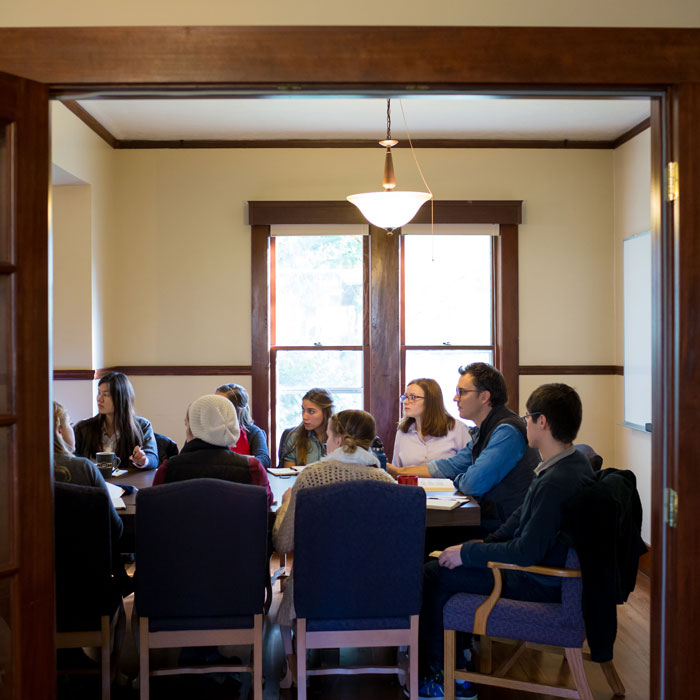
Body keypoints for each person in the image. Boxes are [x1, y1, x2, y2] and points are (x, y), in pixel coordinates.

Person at [416, 383, 595, 700]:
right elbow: (520, 519)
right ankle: (455, 663)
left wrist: (470, 553)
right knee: (445, 560)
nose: (525, 423)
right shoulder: (568, 463)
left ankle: (442, 678)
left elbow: (526, 551)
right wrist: (475, 546)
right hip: (540, 567)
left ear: (542, 422)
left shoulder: (557, 480)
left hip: (539, 579)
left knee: (433, 573)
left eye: (528, 417)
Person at [272, 409, 395, 627]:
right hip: (374, 590)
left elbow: (283, 543)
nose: (326, 442)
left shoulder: (310, 477)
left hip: (317, 589)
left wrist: (286, 505)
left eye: (328, 437)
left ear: (338, 440)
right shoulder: (387, 483)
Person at [388, 363, 538, 533]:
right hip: (492, 520)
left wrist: (456, 479)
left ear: (484, 397)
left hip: (506, 530)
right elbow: (450, 465)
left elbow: (472, 484)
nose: (455, 398)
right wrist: (398, 471)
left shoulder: (506, 432)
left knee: (421, 536)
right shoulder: (485, 430)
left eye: (462, 392)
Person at [53, 400, 129, 593]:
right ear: (59, 431)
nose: (73, 428)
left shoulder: (20, 469)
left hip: (42, 572)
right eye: (70, 424)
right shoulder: (84, 468)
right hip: (90, 575)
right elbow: (115, 528)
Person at [152, 394, 254, 487]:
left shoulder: (168, 469)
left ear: (192, 429)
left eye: (186, 424)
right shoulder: (252, 468)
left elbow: (154, 502)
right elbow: (263, 501)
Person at [74, 371, 159, 471]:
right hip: (94, 484)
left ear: (121, 398)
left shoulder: (142, 426)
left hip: (128, 484)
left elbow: (152, 458)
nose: (99, 399)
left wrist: (143, 460)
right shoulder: (83, 428)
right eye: (99, 393)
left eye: (106, 395)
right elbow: (71, 458)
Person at [392, 378, 470, 468]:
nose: (405, 402)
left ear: (430, 401)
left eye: (413, 397)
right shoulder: (403, 432)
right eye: (405, 397)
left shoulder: (457, 429)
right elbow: (396, 472)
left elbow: (469, 467)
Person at [215, 382, 271, 469]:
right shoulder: (204, 431)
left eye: (221, 406)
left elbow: (264, 461)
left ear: (238, 410)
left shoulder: (253, 432)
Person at [279, 387, 334, 467]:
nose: (304, 416)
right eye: (303, 410)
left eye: (311, 411)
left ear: (326, 413)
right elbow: (288, 475)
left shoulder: (339, 438)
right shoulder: (295, 436)